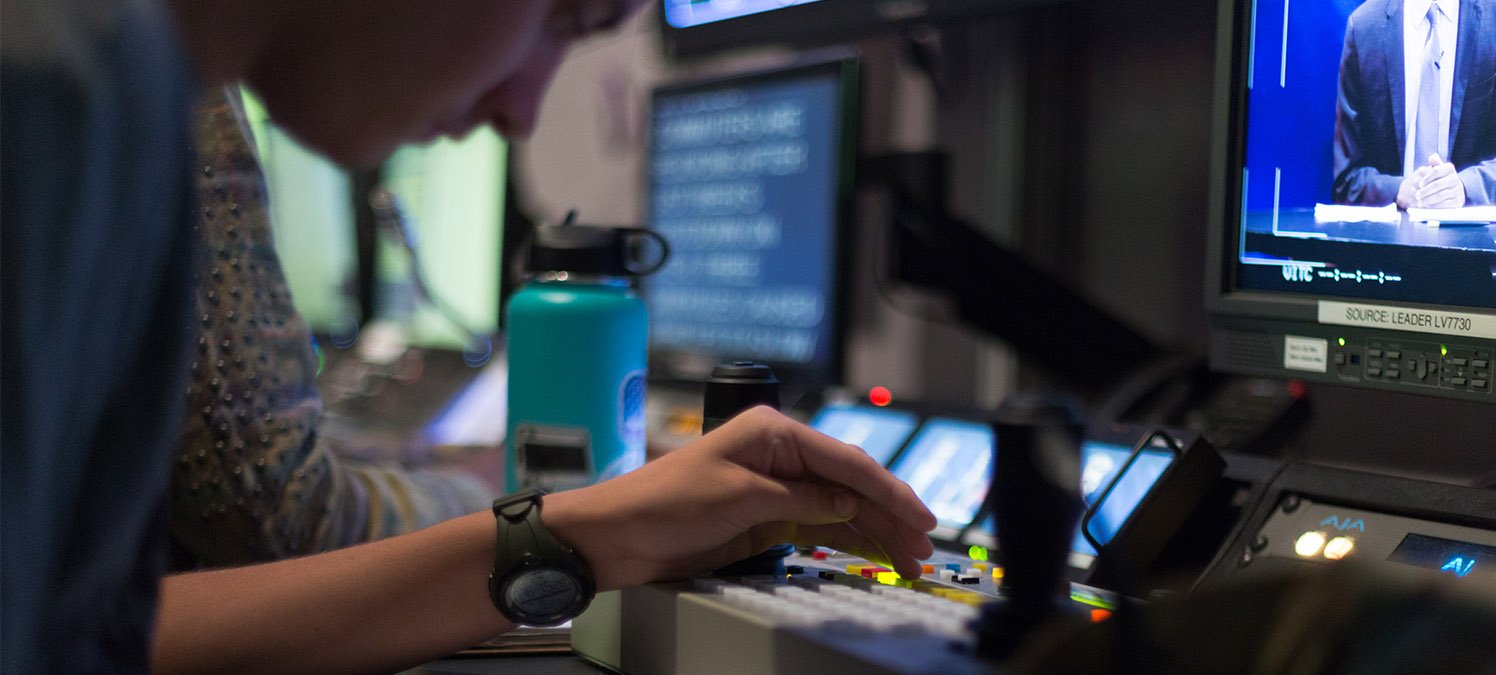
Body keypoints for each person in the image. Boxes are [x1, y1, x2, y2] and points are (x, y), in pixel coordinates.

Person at [1, 1, 937, 673]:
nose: (521, 112)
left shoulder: (116, 99)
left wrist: (583, 529)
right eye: (565, 23)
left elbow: (90, 635)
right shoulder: (49, 97)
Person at [170, 86, 496, 570]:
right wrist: (497, 500)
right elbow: (276, 514)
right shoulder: (178, 71)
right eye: (562, 23)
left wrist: (418, 458)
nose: (521, 118)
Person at [1332, 0, 1496, 209]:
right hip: (1389, 233)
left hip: (1468, 233)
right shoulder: (1364, 25)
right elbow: (1347, 180)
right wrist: (1397, 191)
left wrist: (1463, 188)